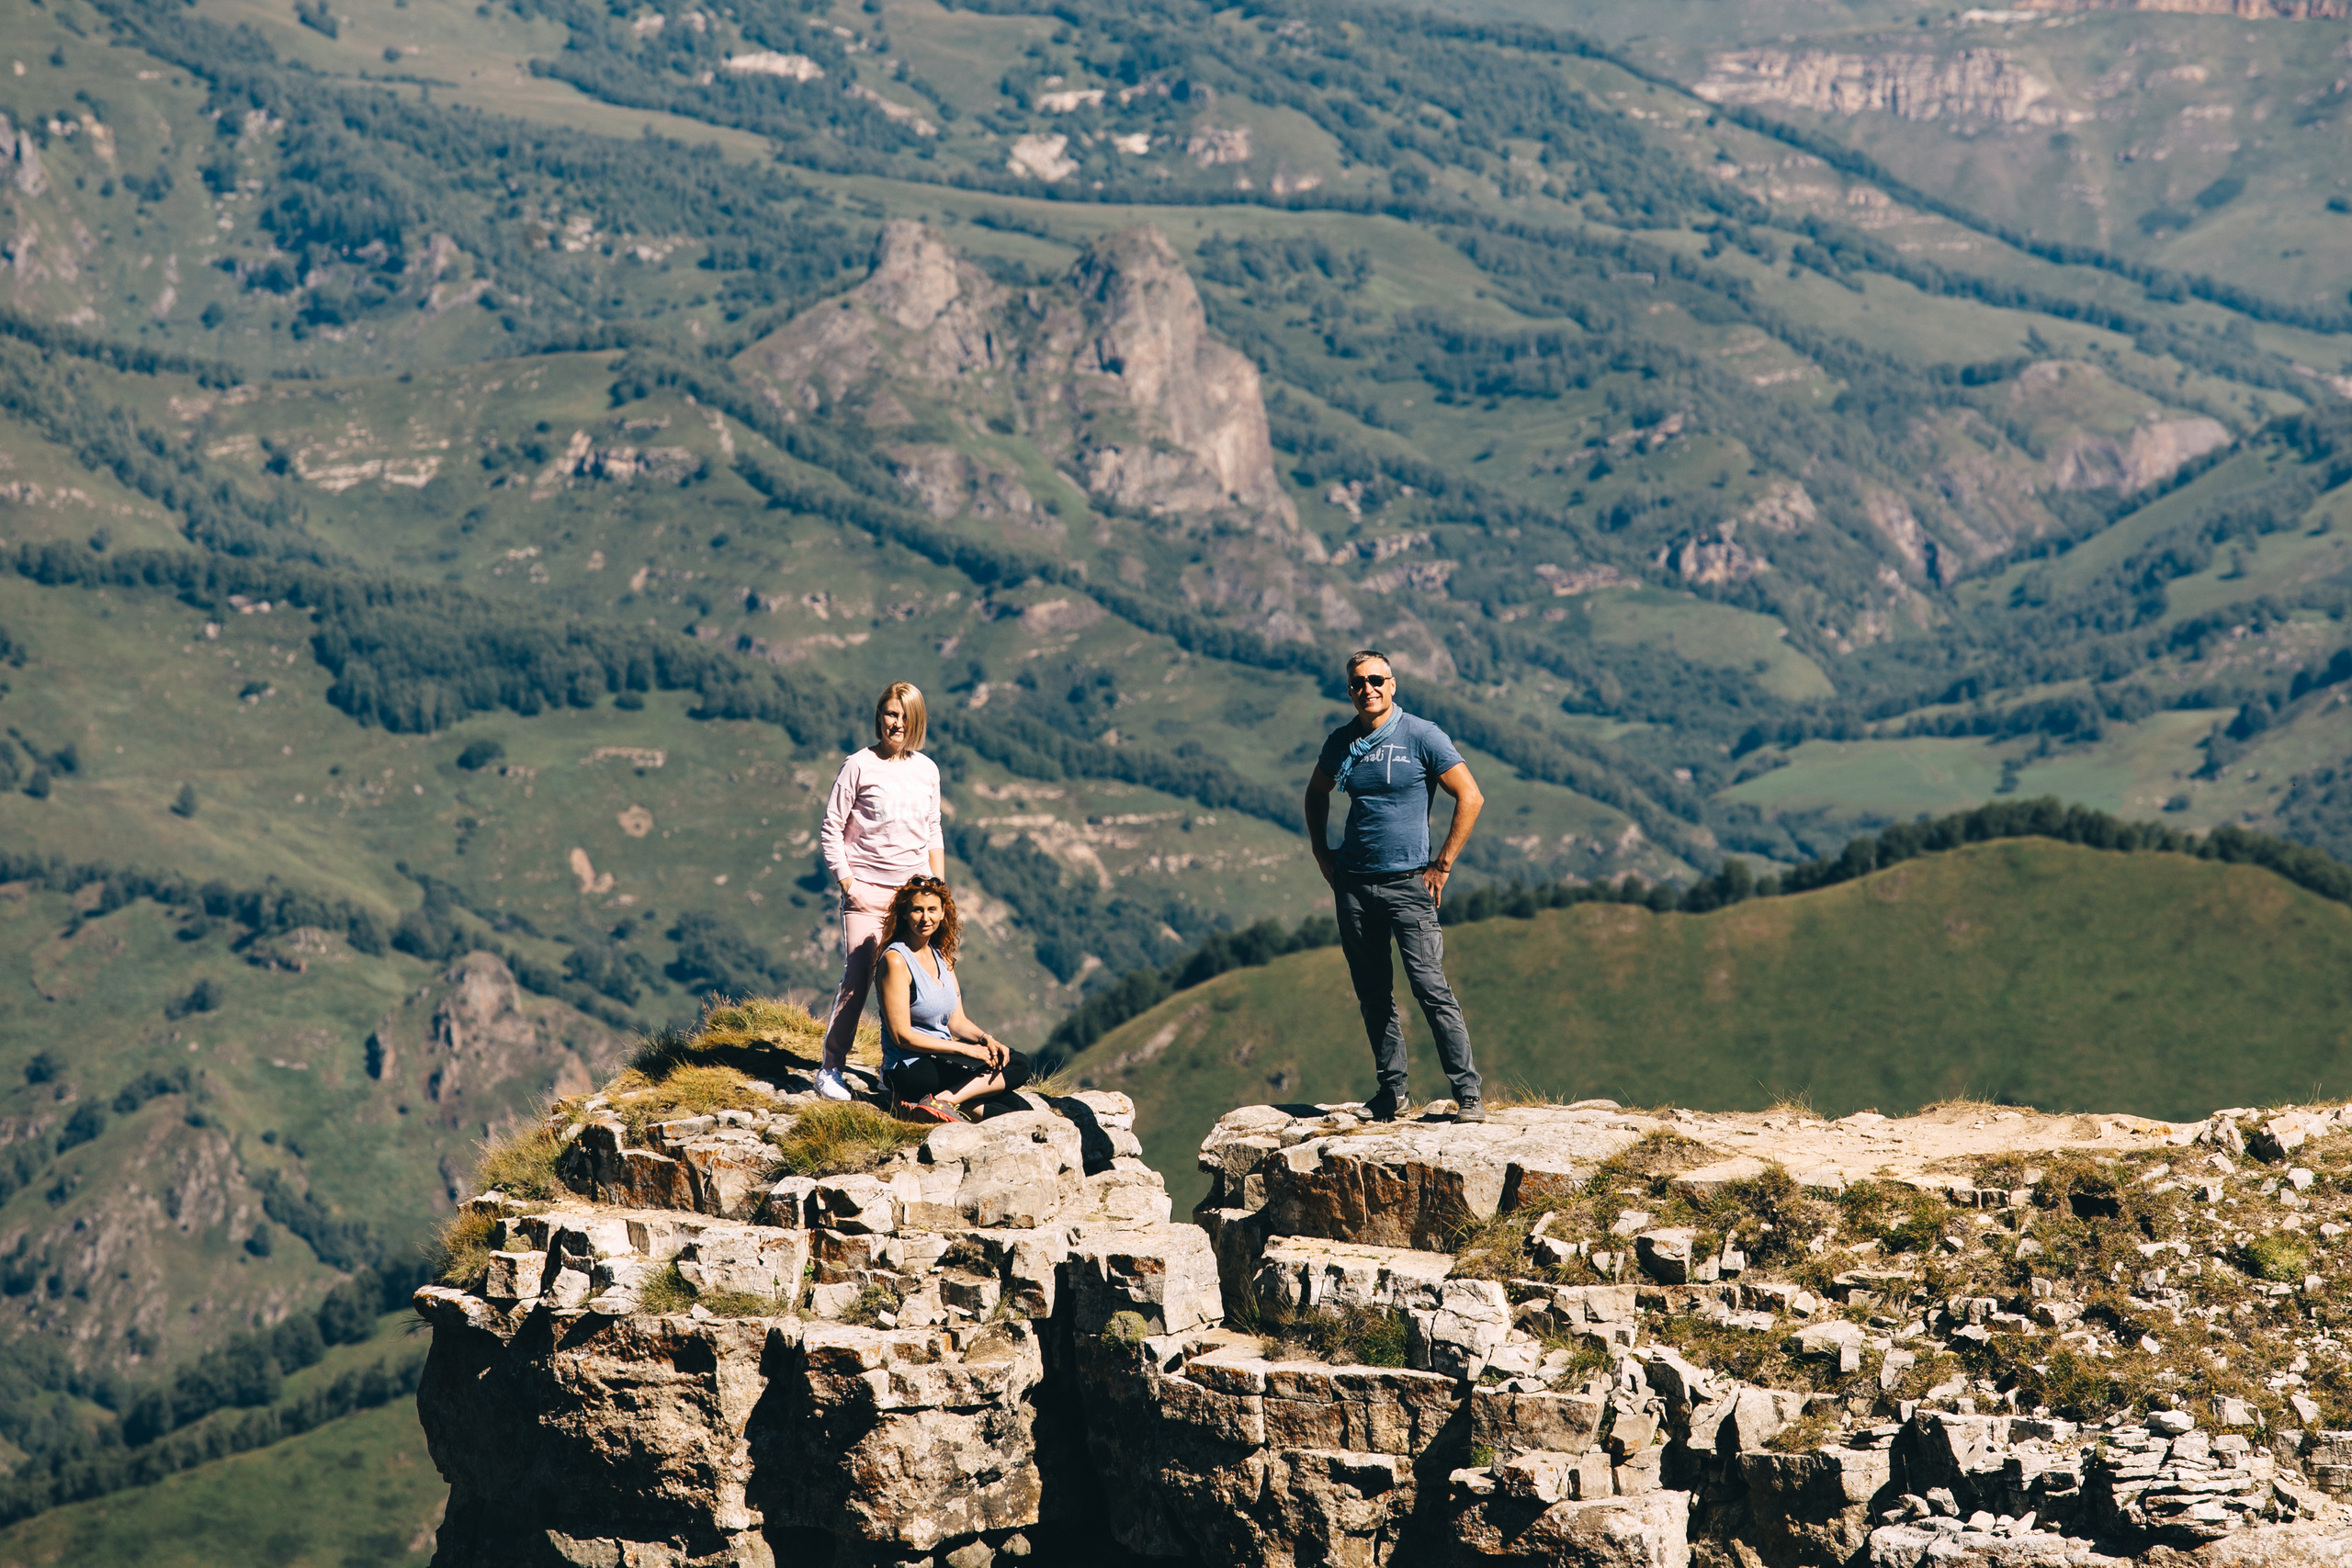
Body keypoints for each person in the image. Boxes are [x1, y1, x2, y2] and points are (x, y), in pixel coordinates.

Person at [1302, 649, 1487, 1123]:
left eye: (1376, 680)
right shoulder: (1341, 742)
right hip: (1354, 885)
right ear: (1350, 691)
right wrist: (1322, 852)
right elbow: (1316, 792)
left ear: (1393, 684)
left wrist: (1442, 865)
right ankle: (1392, 1092)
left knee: (1430, 987)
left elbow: (1470, 796)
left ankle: (1468, 1094)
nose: (1368, 689)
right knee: (1372, 992)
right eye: (1358, 683)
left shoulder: (1422, 735)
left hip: (1409, 884)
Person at [814, 682, 944, 1101]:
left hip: (914, 898)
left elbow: (933, 829)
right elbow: (831, 827)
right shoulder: (858, 765)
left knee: (912, 986)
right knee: (858, 979)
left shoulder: (927, 770)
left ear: (917, 720)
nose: (897, 723)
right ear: (879, 717)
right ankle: (830, 1069)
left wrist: (937, 889)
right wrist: (848, 882)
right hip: (867, 894)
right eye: (891, 714)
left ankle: (897, 1071)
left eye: (905, 716)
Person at [874, 876, 1029, 1123]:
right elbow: (902, 1036)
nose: (925, 918)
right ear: (904, 914)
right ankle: (939, 1101)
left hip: (942, 1059)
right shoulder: (896, 960)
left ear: (943, 913)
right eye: (917, 910)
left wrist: (986, 1040)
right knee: (1018, 1066)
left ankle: (934, 1102)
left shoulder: (942, 957)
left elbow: (956, 1021)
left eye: (932, 910)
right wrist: (965, 1049)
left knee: (1018, 1104)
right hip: (909, 1067)